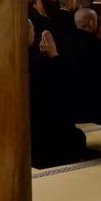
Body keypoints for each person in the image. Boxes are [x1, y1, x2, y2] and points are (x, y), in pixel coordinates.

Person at [29, 25, 89, 169]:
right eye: (31, 30)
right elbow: (64, 94)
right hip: (45, 138)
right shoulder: (41, 66)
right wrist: (54, 55)